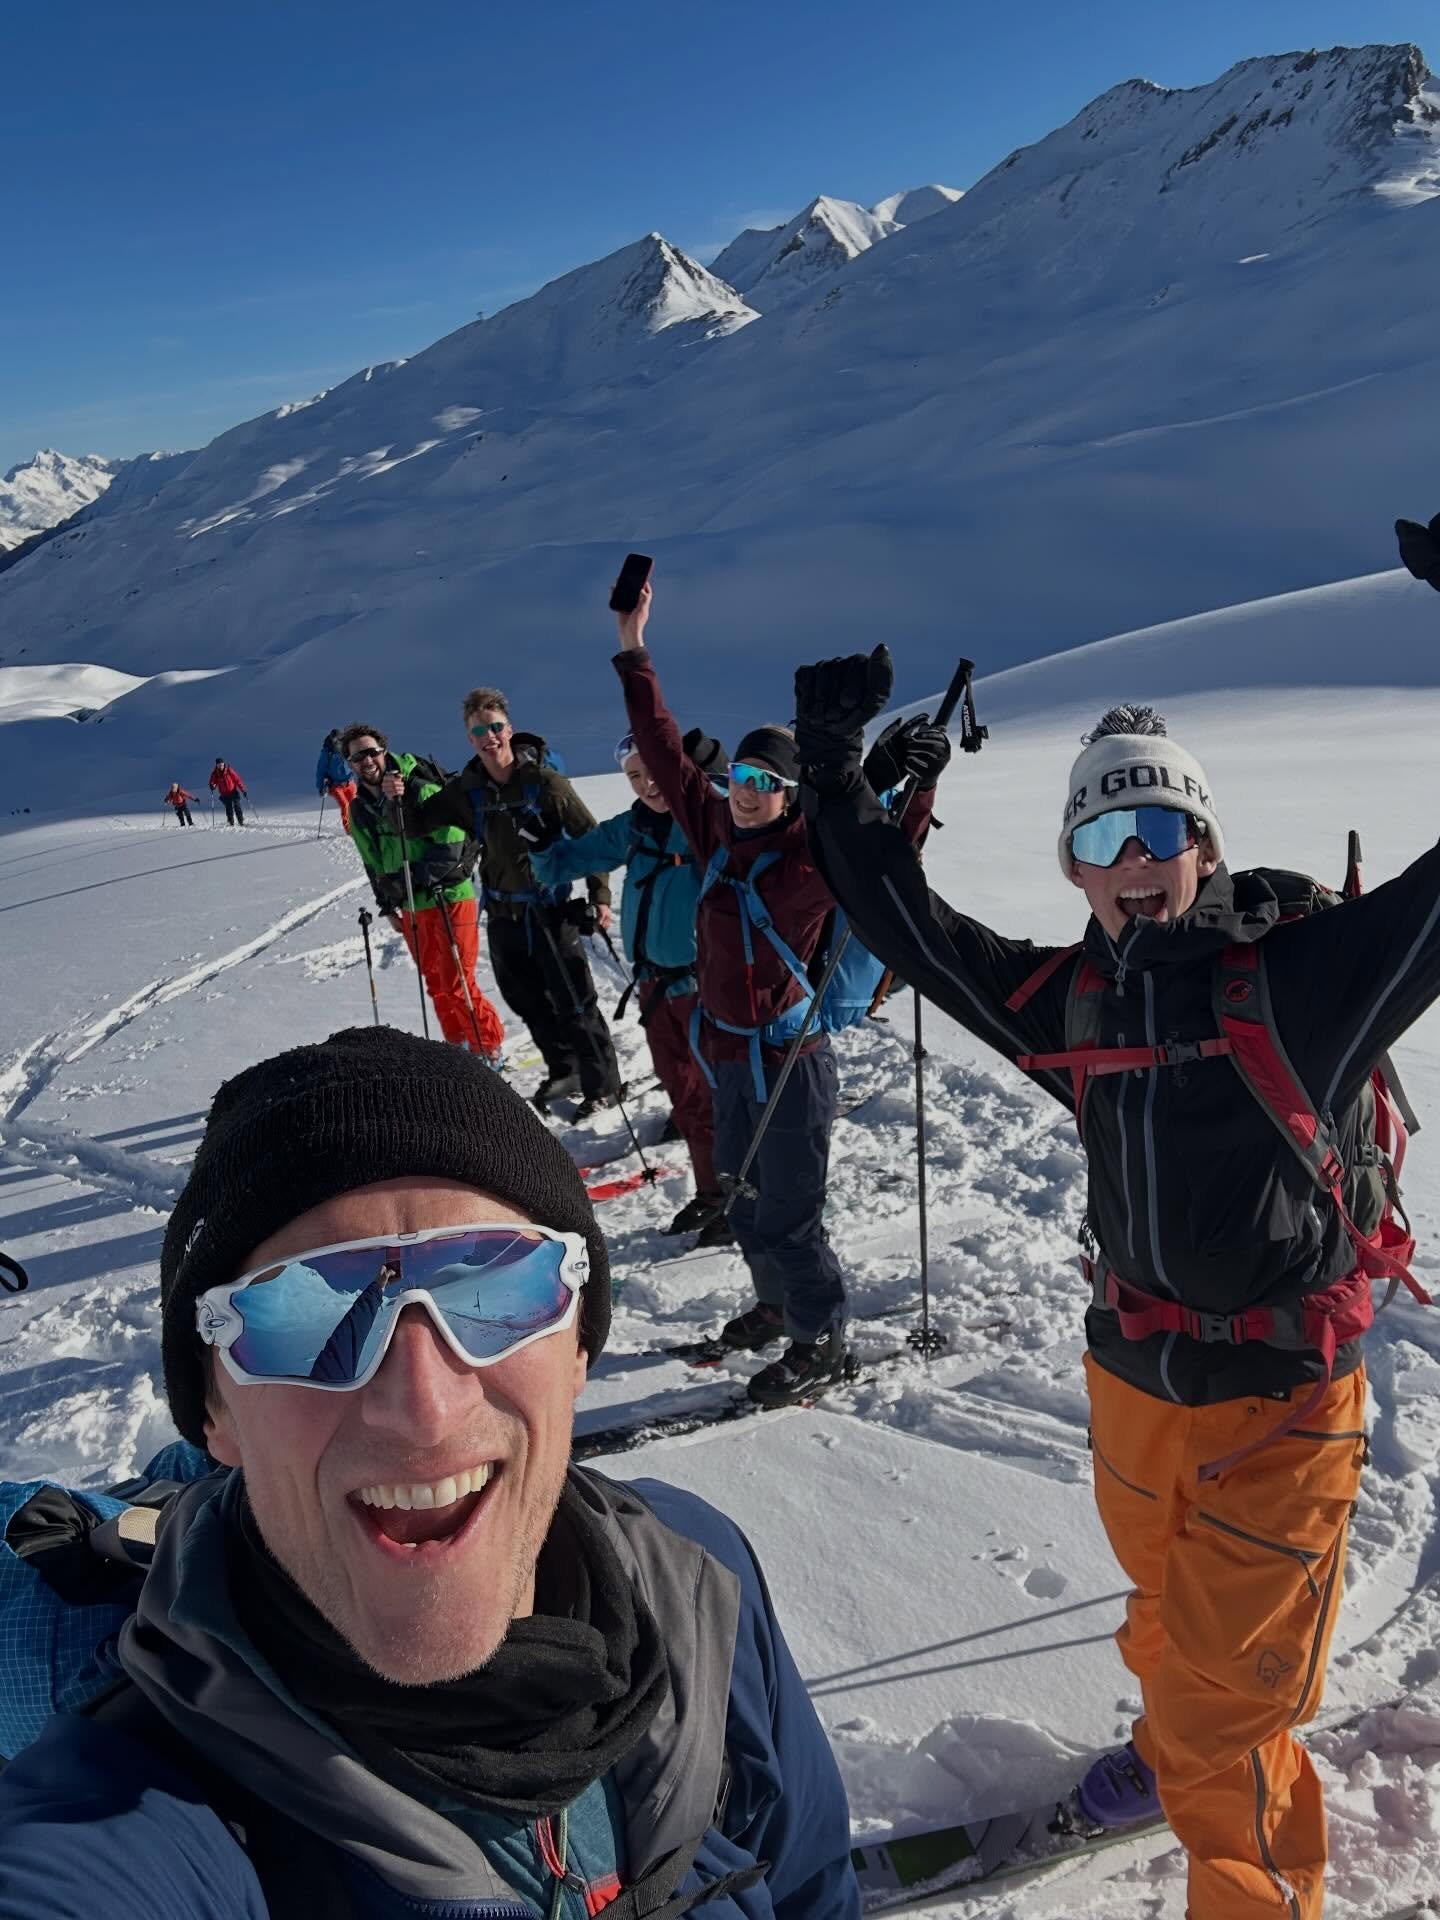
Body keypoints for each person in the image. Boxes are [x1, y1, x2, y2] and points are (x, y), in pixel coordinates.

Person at [795, 644, 1440, 1920]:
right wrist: (831, 769)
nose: (1133, 859)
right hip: (1133, 1389)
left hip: (1285, 1408)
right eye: (1102, 833)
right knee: (1163, 1625)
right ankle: (1171, 1753)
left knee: (1226, 1714)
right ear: (1076, 867)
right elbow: (907, 931)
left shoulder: (1304, 986)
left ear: (1201, 840)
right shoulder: (1074, 1001)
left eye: (1158, 826)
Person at [0, 1027, 860, 1920]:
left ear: (577, 1349)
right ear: (215, 1411)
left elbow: (809, 1886)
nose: (423, 1408)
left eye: (495, 1285)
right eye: (306, 1312)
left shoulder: (694, 1575)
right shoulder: (141, 1815)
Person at [612, 585, 935, 1406]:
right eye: (741, 776)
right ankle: (775, 1304)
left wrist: (919, 792)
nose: (748, 789)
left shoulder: (808, 860)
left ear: (789, 792)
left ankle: (821, 1337)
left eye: (766, 779)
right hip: (726, 1054)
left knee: (790, 1215)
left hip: (791, 1064)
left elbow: (883, 857)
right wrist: (633, 645)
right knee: (744, 1203)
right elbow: (661, 743)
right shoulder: (712, 825)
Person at [530, 729, 730, 1240]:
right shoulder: (637, 827)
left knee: (718, 1098)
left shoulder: (710, 822)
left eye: (653, 771)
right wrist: (539, 844)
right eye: (634, 777)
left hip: (706, 989)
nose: (646, 785)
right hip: (655, 988)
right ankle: (713, 1195)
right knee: (685, 1096)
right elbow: (570, 859)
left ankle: (738, 1199)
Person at [387, 689, 621, 1121]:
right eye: (478, 730)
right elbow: (417, 825)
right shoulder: (467, 789)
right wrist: (397, 795)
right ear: (470, 738)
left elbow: (591, 839)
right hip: (502, 914)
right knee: (526, 999)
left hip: (549, 909)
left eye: (495, 727)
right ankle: (564, 1069)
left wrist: (599, 896)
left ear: (508, 729)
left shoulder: (545, 783)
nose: (488, 737)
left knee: (573, 1000)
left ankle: (603, 1085)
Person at [339, 723, 505, 1062]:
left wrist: (411, 881)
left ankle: (488, 1049)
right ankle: (458, 1050)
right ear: (350, 764)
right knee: (435, 981)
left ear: (384, 751)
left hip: (450, 897)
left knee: (457, 981)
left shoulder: (418, 789)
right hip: (412, 906)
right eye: (357, 756)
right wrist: (388, 904)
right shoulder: (358, 810)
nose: (366, 760)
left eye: (372, 751)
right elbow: (373, 862)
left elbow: (451, 846)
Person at [317, 726, 359, 832]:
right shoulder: (327, 753)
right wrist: (321, 787)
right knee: (345, 805)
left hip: (350, 782)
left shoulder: (347, 748)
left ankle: (358, 828)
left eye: (339, 740)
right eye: (334, 741)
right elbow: (321, 771)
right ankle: (349, 830)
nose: (337, 743)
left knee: (355, 806)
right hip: (335, 785)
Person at [209, 758, 248, 826]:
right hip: (224, 794)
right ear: (216, 765)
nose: (220, 766)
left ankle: (241, 821)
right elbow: (212, 782)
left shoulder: (229, 770)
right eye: (219, 765)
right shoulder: (215, 773)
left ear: (224, 764)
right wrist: (212, 786)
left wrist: (243, 790)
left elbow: (237, 780)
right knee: (228, 808)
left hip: (233, 791)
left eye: (221, 764)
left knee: (237, 806)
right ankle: (231, 822)